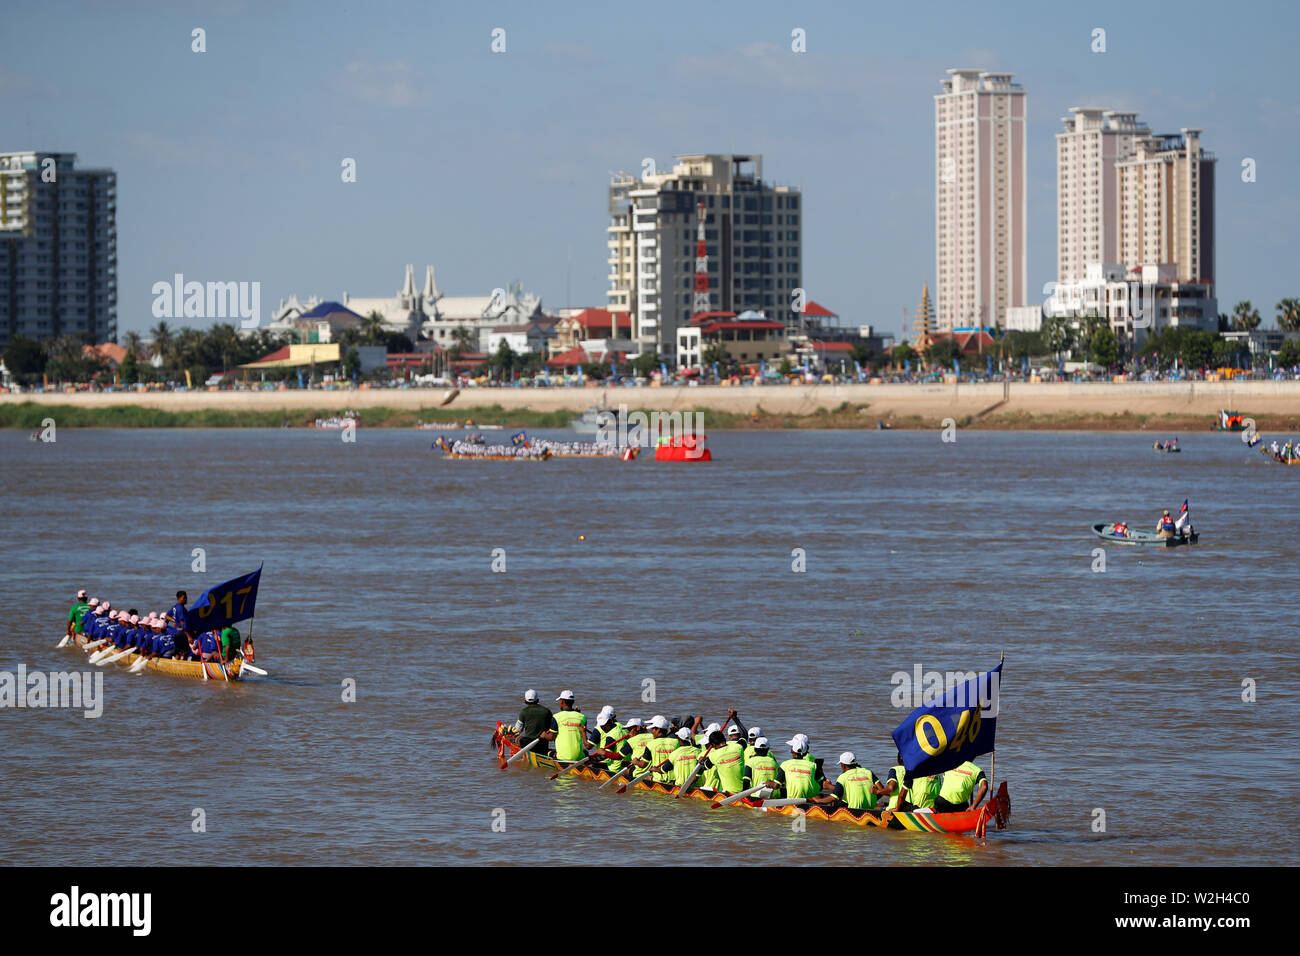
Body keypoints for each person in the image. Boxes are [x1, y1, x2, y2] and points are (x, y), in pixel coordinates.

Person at [541, 690, 588, 762]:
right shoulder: (582, 717)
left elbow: (551, 737)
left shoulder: (556, 717)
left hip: (562, 757)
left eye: (560, 701)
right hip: (579, 757)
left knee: (547, 752)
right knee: (585, 752)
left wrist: (544, 735)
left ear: (562, 702)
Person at [705, 728, 747, 796]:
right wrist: (735, 719)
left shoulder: (713, 755)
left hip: (728, 794)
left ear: (713, 745)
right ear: (724, 739)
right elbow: (745, 734)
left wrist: (701, 760)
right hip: (746, 791)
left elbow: (703, 767)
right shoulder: (738, 747)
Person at [644, 716, 680, 785]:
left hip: (658, 780)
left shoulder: (650, 744)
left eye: (652, 729)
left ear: (658, 730)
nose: (651, 731)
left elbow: (643, 764)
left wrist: (635, 761)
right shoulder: (676, 742)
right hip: (674, 780)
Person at [516, 689, 553, 754]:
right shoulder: (547, 711)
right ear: (538, 700)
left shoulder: (524, 712)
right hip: (543, 744)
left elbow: (517, 730)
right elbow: (551, 728)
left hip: (529, 745)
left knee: (518, 738)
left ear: (525, 701)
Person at [592, 707, 625, 774]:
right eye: (601, 726)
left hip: (613, 769)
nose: (602, 728)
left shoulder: (611, 736)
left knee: (592, 766)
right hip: (624, 765)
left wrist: (590, 759)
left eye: (604, 726)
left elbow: (604, 756)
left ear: (611, 721)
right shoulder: (622, 727)